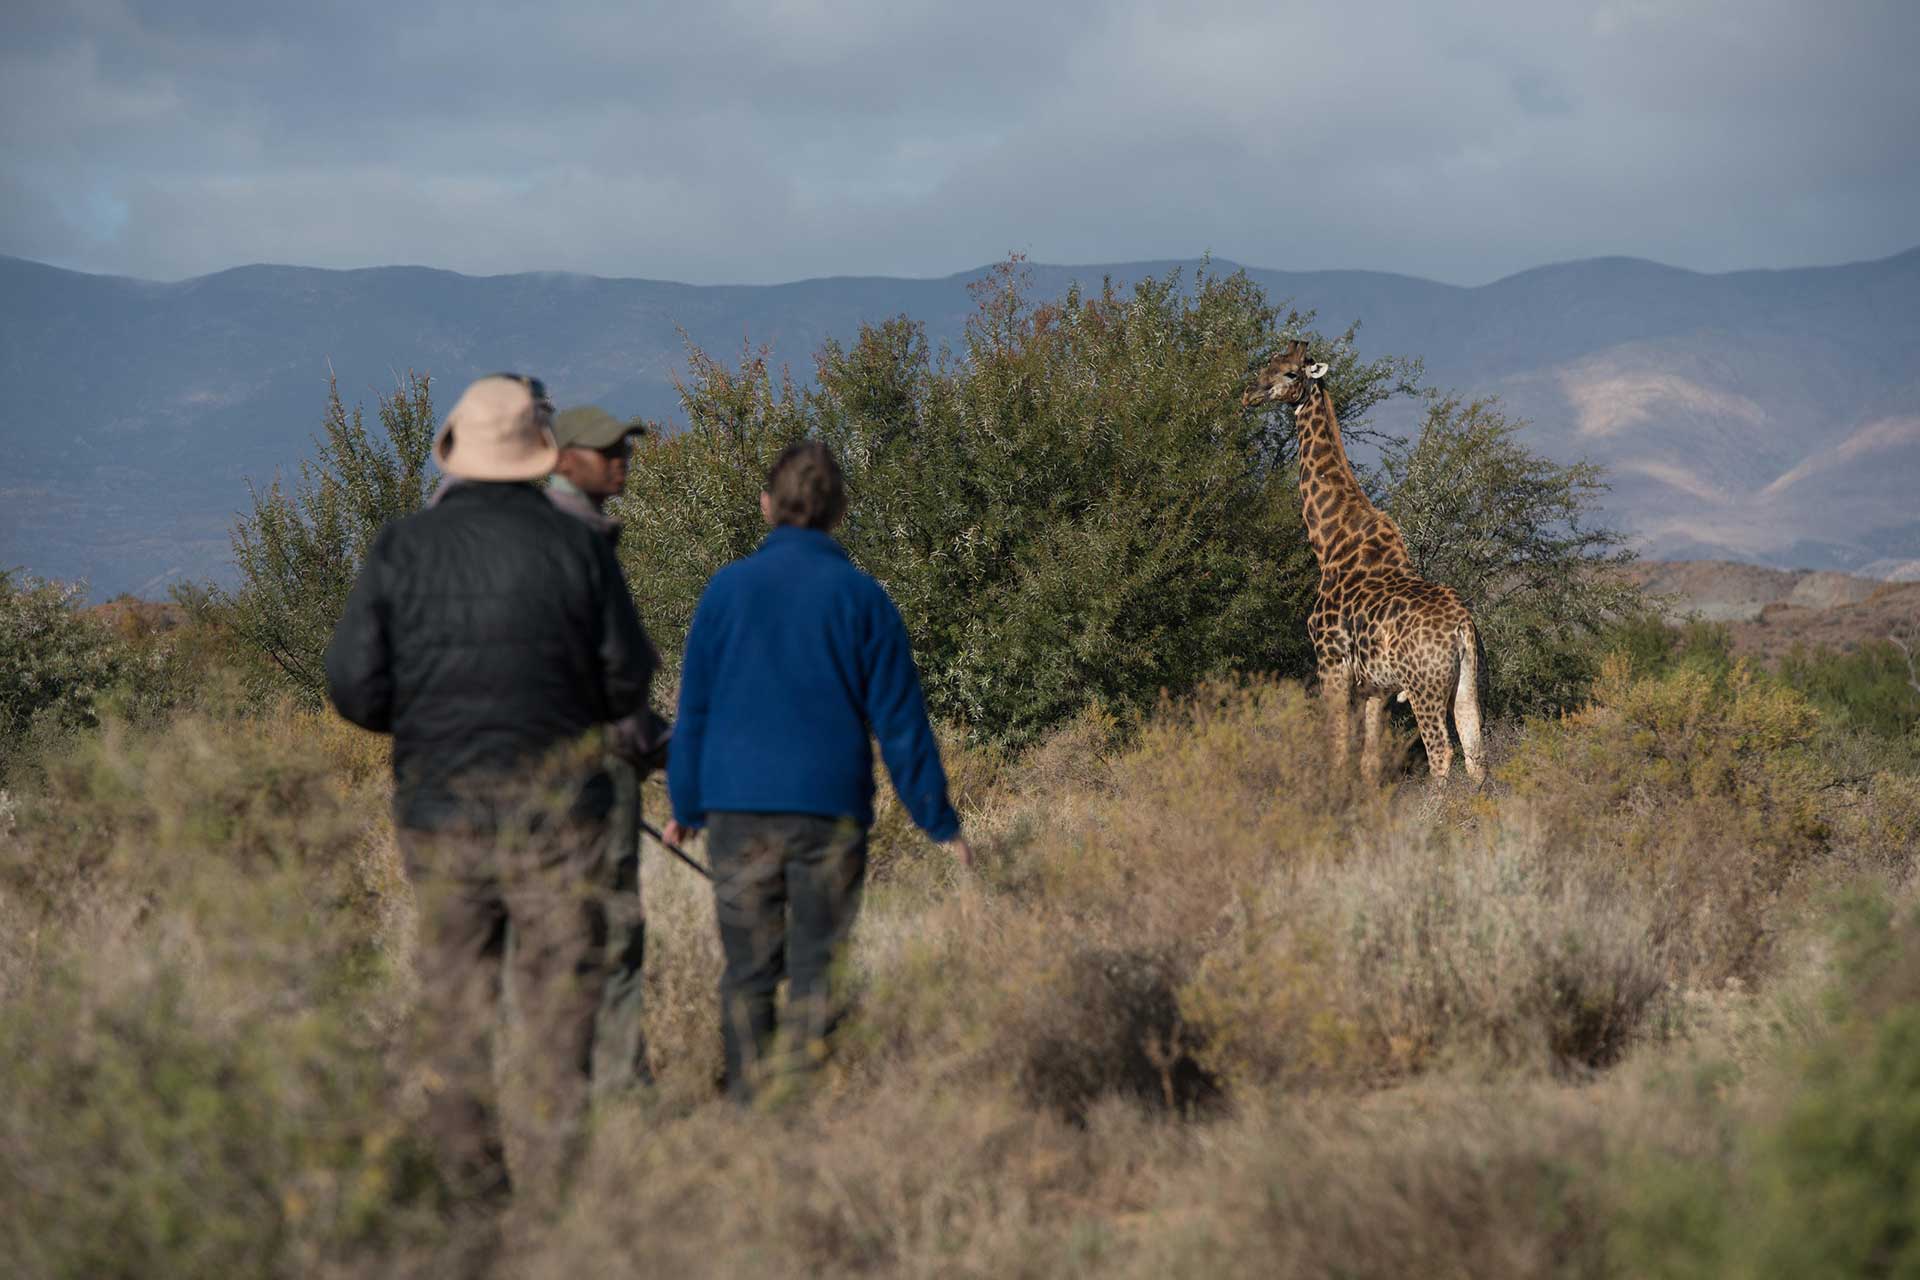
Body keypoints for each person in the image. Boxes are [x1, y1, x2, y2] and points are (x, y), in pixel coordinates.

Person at [323, 373, 655, 1209]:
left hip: (443, 815)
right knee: (558, 1011)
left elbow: (355, 689)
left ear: (458, 453)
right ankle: (558, 1201)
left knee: (457, 1011)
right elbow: (626, 683)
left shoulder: (403, 547)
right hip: (559, 818)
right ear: (538, 452)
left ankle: (475, 1202)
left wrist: (432, 719)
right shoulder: (578, 548)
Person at [663, 441, 973, 1103]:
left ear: (767, 505)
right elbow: (900, 723)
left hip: (737, 811)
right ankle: (797, 1112)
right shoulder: (862, 599)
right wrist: (938, 822)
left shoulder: (726, 590)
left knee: (747, 970)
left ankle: (751, 1114)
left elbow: (695, 711)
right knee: (815, 969)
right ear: (839, 512)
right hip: (828, 813)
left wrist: (686, 807)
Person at [547, 403, 669, 1099]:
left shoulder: (544, 535)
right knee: (612, 934)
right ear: (564, 459)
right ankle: (623, 1098)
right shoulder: (579, 542)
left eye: (625, 445)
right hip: (591, 774)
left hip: (534, 773)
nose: (621, 457)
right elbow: (618, 676)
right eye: (605, 449)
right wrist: (656, 746)